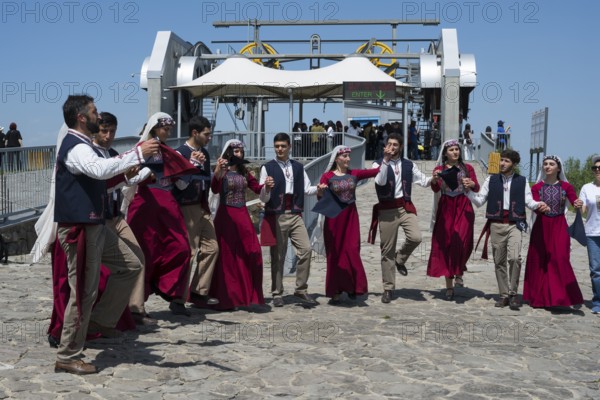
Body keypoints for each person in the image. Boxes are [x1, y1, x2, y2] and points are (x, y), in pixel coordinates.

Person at [51, 94, 159, 374]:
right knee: (83, 292)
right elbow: (98, 170)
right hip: (80, 229)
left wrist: (125, 174)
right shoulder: (76, 147)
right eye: (94, 111)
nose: (100, 117)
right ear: (81, 117)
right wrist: (137, 153)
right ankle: (67, 355)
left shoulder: (84, 146)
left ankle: (99, 321)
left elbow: (99, 178)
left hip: (95, 226)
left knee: (130, 265)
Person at [123, 112, 196, 317]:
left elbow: (181, 184)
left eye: (170, 129)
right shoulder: (141, 149)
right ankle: (136, 306)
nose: (168, 132)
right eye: (165, 128)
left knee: (181, 248)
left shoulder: (169, 153)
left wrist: (192, 166)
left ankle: (174, 294)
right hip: (145, 206)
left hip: (168, 207)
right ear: (154, 128)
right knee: (144, 252)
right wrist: (146, 173)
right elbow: (129, 177)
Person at [93, 112, 157, 326]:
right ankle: (107, 316)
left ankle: (135, 308)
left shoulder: (112, 153)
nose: (109, 135)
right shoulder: (90, 154)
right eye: (104, 131)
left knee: (138, 258)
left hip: (116, 216)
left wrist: (143, 171)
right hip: (100, 219)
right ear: (95, 130)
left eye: (112, 131)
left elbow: (125, 182)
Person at [467, 149, 547, 310]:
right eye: (501, 160)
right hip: (496, 224)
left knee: (515, 258)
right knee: (499, 262)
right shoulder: (491, 179)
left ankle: (513, 293)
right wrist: (467, 191)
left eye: (507, 161)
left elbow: (529, 201)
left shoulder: (522, 181)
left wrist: (539, 205)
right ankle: (503, 295)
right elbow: (479, 201)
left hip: (515, 224)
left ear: (514, 164)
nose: (503, 163)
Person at [259, 133, 324, 307]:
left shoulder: (298, 167)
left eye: (283, 146)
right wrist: (265, 187)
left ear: (289, 147)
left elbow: (306, 189)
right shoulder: (267, 168)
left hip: (295, 214)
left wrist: (319, 189)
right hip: (277, 215)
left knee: (306, 250)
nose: (279, 149)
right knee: (278, 256)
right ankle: (277, 293)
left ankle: (300, 289)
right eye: (277, 146)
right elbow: (263, 198)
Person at [369, 133, 432, 304]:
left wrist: (437, 176)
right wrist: (385, 161)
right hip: (387, 210)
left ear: (401, 147)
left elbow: (424, 181)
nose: (392, 147)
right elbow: (380, 182)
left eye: (395, 144)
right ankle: (388, 288)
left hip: (405, 207)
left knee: (416, 237)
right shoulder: (377, 163)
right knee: (386, 250)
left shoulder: (409, 165)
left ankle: (400, 259)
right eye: (389, 144)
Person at [209, 139, 272, 310]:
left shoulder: (244, 173)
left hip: (242, 215)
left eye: (241, 151)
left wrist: (266, 186)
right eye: (235, 151)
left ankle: (248, 294)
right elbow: (214, 189)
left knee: (253, 251)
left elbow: (258, 189)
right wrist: (217, 173)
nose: (239, 154)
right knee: (228, 257)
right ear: (228, 152)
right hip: (226, 216)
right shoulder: (222, 170)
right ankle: (228, 297)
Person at [315, 145, 381, 305]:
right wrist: (320, 192)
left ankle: (353, 287)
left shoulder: (354, 174)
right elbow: (320, 198)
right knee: (335, 254)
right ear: (337, 158)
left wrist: (384, 158)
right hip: (333, 219)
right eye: (345, 156)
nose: (348, 159)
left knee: (351, 250)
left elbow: (374, 172)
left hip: (351, 218)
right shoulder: (327, 176)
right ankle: (335, 290)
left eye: (349, 156)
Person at [523, 155, 584, 308]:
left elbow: (573, 202)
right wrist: (539, 206)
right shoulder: (536, 188)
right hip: (541, 226)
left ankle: (563, 297)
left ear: (558, 168)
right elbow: (534, 204)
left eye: (551, 164)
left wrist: (577, 203)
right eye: (545, 164)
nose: (547, 166)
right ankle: (540, 298)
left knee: (560, 258)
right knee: (540, 260)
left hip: (559, 225)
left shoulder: (566, 187)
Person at [172, 115, 219, 307]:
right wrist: (192, 165)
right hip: (185, 207)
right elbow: (180, 185)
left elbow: (207, 182)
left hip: (202, 205)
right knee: (190, 252)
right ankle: (178, 299)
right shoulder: (179, 154)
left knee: (212, 248)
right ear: (194, 133)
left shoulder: (206, 154)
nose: (209, 138)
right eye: (206, 134)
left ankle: (199, 291)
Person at [427, 140, 479, 300]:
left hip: (463, 205)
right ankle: (449, 286)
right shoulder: (439, 169)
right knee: (447, 244)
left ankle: (459, 268)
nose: (455, 152)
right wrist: (434, 180)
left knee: (463, 241)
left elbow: (476, 187)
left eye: (457, 149)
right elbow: (435, 188)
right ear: (445, 153)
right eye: (452, 150)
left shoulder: (468, 168)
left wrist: (471, 183)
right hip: (446, 207)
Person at [580, 155, 600, 314]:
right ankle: (598, 301)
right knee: (596, 270)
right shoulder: (587, 188)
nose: (598, 170)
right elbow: (582, 210)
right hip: (593, 232)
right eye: (595, 168)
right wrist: (578, 205)